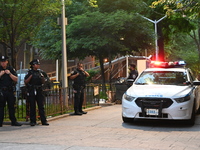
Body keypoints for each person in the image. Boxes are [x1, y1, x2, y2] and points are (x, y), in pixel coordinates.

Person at [24, 59, 49, 126]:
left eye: (38, 64)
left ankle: (43, 120)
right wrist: (31, 76)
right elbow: (26, 82)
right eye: (36, 64)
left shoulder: (40, 72)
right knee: (32, 106)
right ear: (33, 65)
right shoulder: (29, 72)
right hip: (32, 90)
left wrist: (42, 78)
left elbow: (43, 82)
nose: (38, 65)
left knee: (41, 106)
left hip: (39, 90)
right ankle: (33, 121)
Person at [0, 56, 21, 127]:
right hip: (1, 91)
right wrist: (1, 74)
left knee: (11, 106)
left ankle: (13, 121)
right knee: (1, 107)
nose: (3, 63)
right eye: (2, 62)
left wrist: (9, 74)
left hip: (10, 91)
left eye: (4, 61)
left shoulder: (10, 69)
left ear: (7, 62)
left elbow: (16, 79)